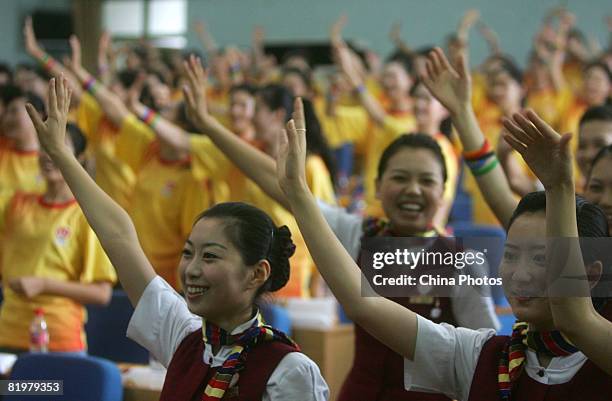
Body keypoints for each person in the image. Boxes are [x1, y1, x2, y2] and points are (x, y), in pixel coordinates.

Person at [276, 57, 612, 400]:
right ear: (377, 185)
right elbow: (367, 307)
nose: (521, 274)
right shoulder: (483, 356)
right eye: (511, 255)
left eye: (541, 259)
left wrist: (559, 188)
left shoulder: (457, 260)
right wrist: (299, 192)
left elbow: (575, 317)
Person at [182, 56, 499, 401]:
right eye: (399, 178)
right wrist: (209, 125)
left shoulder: (462, 262)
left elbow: (483, 362)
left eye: (426, 181)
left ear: (443, 192)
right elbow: (285, 186)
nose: (413, 189)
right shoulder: (361, 236)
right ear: (377, 186)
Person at [26, 75, 329, 400]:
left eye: (210, 256)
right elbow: (119, 236)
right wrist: (62, 156)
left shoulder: (288, 369)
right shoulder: (185, 338)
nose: (191, 269)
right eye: (189, 253)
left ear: (257, 273)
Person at [0, 116, 116, 353]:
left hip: (59, 339)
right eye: (44, 146)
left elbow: (102, 293)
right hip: (8, 334)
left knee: (45, 391)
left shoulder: (87, 215)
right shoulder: (15, 204)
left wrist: (44, 284)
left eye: (58, 148)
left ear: (79, 159)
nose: (47, 154)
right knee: (13, 391)